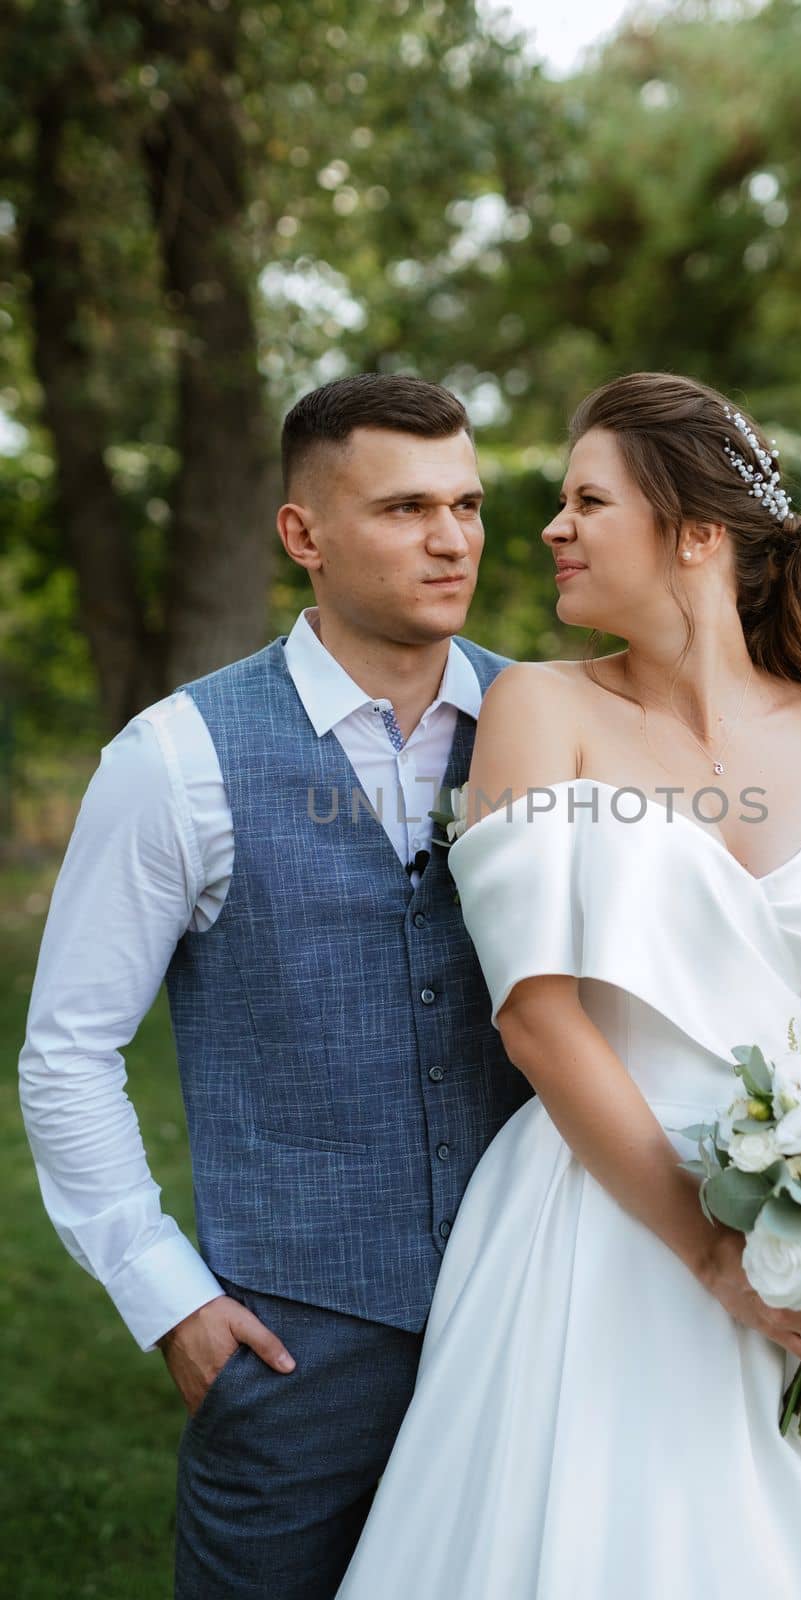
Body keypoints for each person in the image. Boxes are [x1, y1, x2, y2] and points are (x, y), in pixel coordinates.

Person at [336, 373, 801, 1598]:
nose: (550, 528)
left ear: (696, 531)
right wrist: (717, 1255)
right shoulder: (541, 708)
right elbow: (536, 1013)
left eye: (585, 500)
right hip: (598, 1215)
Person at [17, 373, 533, 1599]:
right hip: (295, 1345)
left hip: (529, 1310)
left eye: (466, 503)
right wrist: (168, 1296)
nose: (452, 538)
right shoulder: (176, 756)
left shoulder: (545, 721)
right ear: (302, 534)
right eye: (407, 507)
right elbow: (68, 1050)